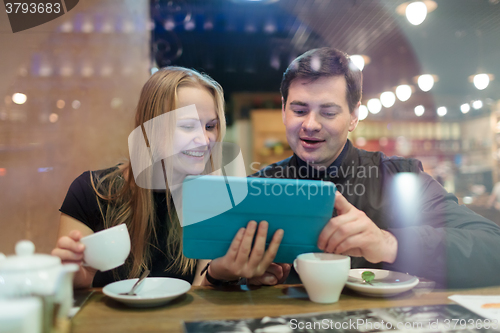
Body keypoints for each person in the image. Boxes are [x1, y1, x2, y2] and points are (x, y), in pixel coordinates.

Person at [252, 47, 500, 288]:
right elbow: (220, 266)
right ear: (284, 110)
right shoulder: (259, 188)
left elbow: (492, 246)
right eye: (299, 110)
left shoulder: (400, 178)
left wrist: (390, 243)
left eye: (328, 112)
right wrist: (226, 276)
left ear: (353, 116)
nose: (311, 124)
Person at [52, 67, 288, 288]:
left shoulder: (213, 200)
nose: (205, 140)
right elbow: (73, 283)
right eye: (187, 126)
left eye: (210, 126)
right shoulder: (90, 191)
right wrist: (73, 275)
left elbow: (201, 293)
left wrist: (220, 275)